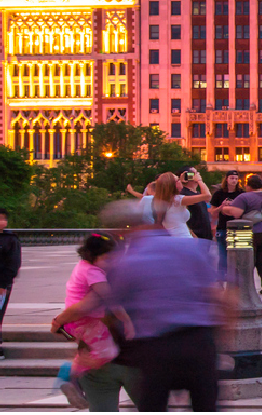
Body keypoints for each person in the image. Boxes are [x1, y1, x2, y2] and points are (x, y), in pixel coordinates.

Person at [57, 205, 224, 411]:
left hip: (143, 351)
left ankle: (71, 375)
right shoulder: (191, 248)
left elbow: (95, 305)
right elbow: (220, 298)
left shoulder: (124, 263)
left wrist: (60, 322)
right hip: (191, 345)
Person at [54, 233, 138, 411]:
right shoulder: (95, 273)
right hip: (86, 321)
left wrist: (59, 321)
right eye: (108, 258)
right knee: (108, 352)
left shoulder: (87, 266)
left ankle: (72, 373)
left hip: (81, 323)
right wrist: (126, 320)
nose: (112, 262)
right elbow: (93, 303)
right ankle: (69, 374)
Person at [217, 174, 262, 295]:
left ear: (248, 185)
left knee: (246, 260)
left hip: (248, 232)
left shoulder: (244, 197)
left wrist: (225, 209)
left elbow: (236, 213)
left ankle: (244, 287)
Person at [130, 171, 210, 238]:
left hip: (173, 239)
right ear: (174, 184)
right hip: (183, 239)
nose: (180, 180)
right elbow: (207, 196)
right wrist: (199, 180)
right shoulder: (178, 200)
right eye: (178, 179)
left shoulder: (160, 200)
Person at [208, 171, 243, 270]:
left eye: (236, 179)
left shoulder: (241, 194)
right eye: (232, 178)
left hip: (237, 228)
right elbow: (212, 211)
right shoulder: (219, 194)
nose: (234, 181)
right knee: (223, 254)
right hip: (223, 227)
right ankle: (222, 275)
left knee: (238, 254)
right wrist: (221, 207)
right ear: (226, 179)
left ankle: (236, 275)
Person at [0, 208, 18, 361]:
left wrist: (3, 284)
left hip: (0, 286)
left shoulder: (10, 240)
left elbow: (13, 264)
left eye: (1, 218)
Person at [179, 170, 214, 243]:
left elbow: (207, 196)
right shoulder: (185, 193)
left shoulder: (197, 193)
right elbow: (208, 196)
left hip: (205, 235)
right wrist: (199, 180)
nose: (197, 175)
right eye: (193, 173)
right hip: (196, 234)